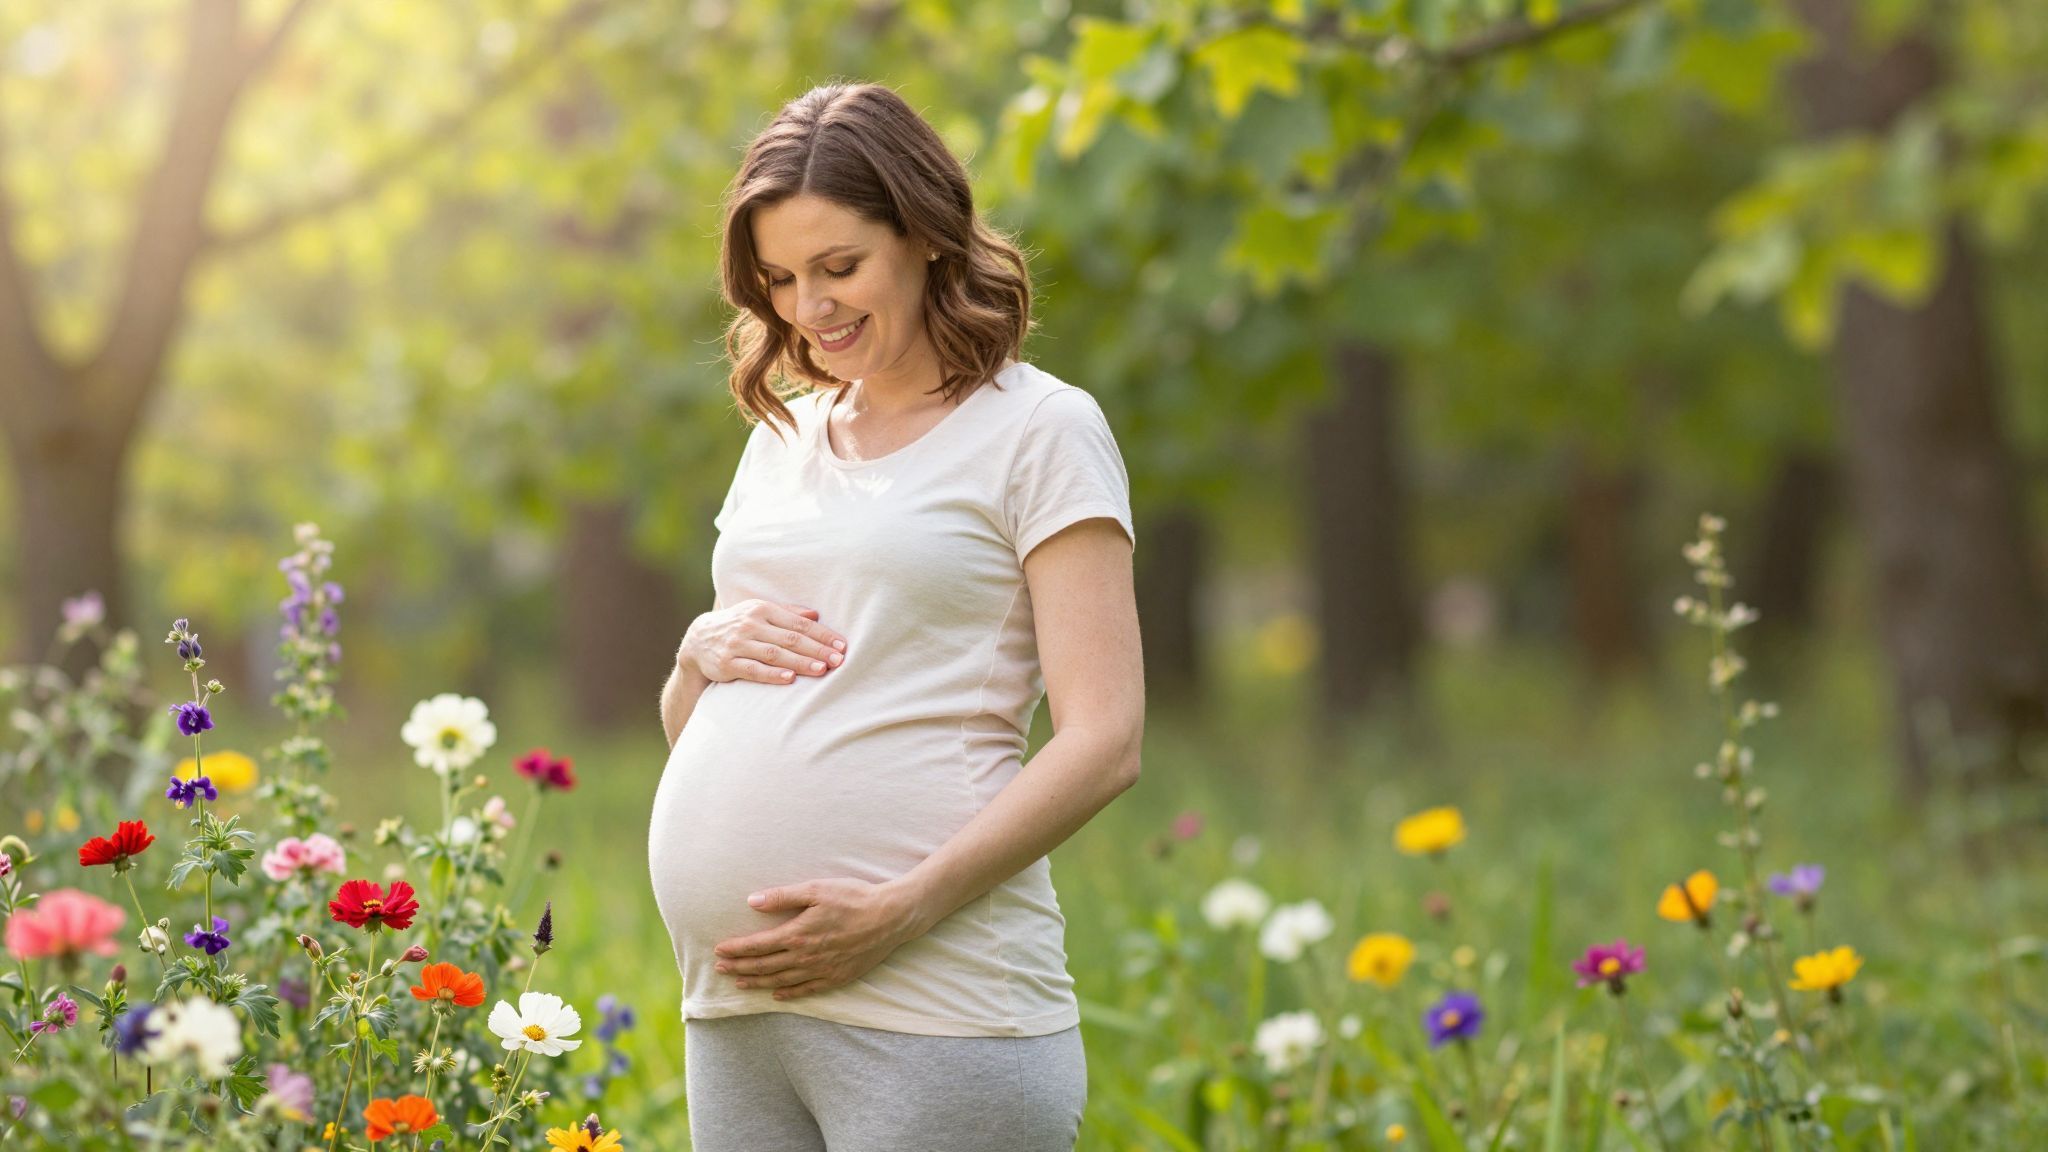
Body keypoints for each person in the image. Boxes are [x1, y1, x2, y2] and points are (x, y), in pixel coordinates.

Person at [647, 82, 1145, 1151]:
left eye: (839, 268)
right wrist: (693, 660)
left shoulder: (1040, 429)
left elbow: (1105, 742)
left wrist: (901, 908)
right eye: (780, 278)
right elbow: (710, 729)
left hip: (936, 1007)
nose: (808, 308)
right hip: (736, 1012)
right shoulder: (779, 439)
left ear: (924, 235)